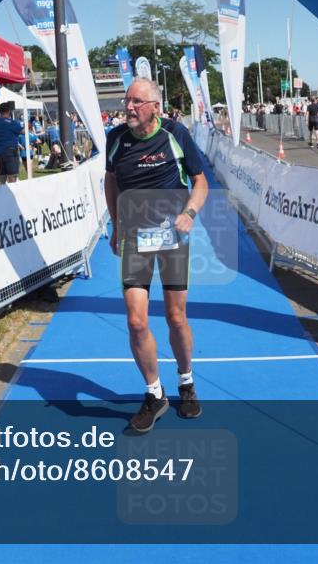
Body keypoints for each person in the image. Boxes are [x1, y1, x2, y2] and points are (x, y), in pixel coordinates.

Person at [105, 78, 209, 433]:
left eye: (137, 101)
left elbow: (200, 181)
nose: (129, 107)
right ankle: (154, 393)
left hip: (171, 237)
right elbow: (110, 180)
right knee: (136, 321)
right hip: (135, 239)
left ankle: (186, 381)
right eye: (127, 100)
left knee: (175, 317)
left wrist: (189, 213)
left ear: (155, 106)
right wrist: (116, 224)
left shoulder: (175, 133)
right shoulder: (116, 138)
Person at [0, 101, 24, 184]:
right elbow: (22, 131)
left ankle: (0, 192)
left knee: (2, 176)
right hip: (10, 151)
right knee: (12, 176)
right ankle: (11, 191)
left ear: (0, 111)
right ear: (9, 111)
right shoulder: (13, 123)